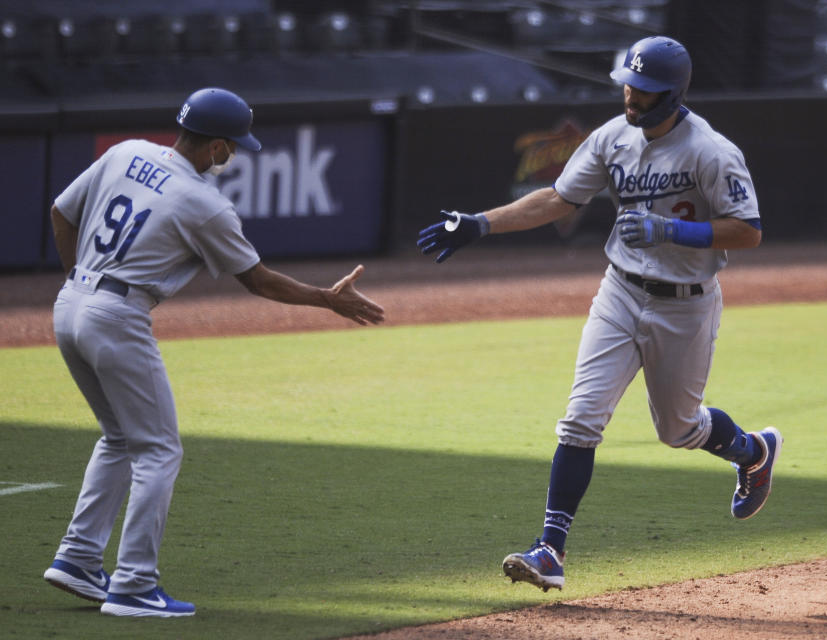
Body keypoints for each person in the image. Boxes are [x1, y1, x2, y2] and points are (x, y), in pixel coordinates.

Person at [417, 36, 782, 592]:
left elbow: (749, 230)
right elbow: (557, 199)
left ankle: (754, 452)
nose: (631, 97)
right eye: (628, 86)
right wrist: (479, 223)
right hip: (619, 292)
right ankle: (549, 550)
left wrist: (673, 230)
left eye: (644, 91)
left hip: (685, 304)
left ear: (673, 94)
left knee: (679, 429)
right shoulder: (612, 138)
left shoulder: (711, 151)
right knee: (581, 419)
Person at [42, 87, 385, 617]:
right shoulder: (204, 203)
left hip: (70, 304)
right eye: (232, 147)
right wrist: (328, 300)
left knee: (119, 436)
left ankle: (79, 558)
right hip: (117, 315)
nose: (233, 155)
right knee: (159, 450)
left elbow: (61, 213)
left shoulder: (125, 151)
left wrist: (77, 280)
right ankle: (133, 585)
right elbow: (259, 282)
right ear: (217, 147)